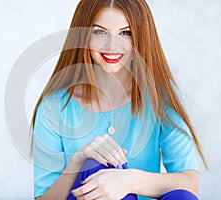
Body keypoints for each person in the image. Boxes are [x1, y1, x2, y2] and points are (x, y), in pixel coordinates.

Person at [31, 0, 207, 199]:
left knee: (182, 197)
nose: (112, 45)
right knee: (94, 166)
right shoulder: (54, 106)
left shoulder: (161, 96)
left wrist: (128, 181)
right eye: (99, 32)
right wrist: (78, 161)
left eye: (126, 33)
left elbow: (190, 183)